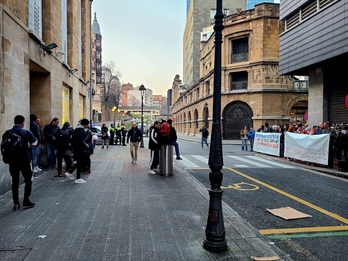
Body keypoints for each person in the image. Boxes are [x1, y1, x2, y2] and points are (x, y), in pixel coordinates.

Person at [2, 115, 38, 209]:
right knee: (28, 179)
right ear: (23, 122)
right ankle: (26, 199)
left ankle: (16, 203)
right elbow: (35, 143)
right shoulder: (26, 132)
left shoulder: (7, 133)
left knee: (15, 181)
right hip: (24, 160)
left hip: (12, 161)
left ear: (14, 122)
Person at [70, 119, 90, 183]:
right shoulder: (81, 131)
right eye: (87, 124)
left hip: (76, 149)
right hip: (80, 149)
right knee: (80, 163)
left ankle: (70, 172)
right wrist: (86, 145)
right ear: (85, 124)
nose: (88, 125)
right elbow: (81, 141)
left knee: (79, 162)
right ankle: (77, 178)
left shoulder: (76, 130)